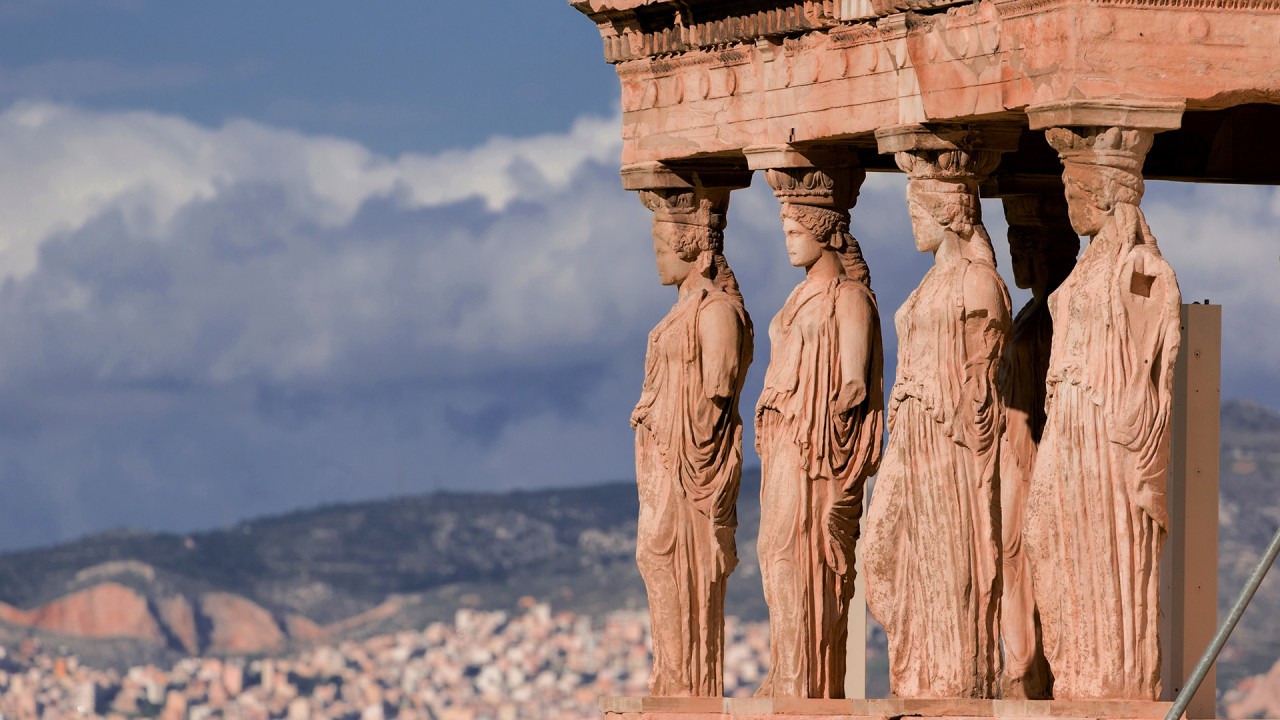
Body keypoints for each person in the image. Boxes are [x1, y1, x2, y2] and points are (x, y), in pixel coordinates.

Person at [1025, 127, 1180, 700]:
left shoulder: (1137, 264)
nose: (1069, 203)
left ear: (1104, 193)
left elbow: (1155, 349)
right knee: (1046, 534)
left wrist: (1130, 420)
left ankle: (1109, 680)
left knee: (1099, 544)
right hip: (1068, 422)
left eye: (1075, 190)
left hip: (1102, 427)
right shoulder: (1093, 263)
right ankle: (1079, 673)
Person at [863, 153, 1011, 698]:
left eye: (918, 208)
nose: (911, 220)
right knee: (882, 554)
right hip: (908, 433)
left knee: (948, 561)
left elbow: (985, 381)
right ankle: (917, 669)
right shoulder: (929, 284)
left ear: (947, 212)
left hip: (949, 442)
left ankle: (951, 681)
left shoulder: (978, 284)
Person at [755, 200, 883, 699]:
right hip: (786, 442)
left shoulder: (849, 298)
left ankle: (806, 677)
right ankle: (788, 666)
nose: (788, 240)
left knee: (803, 553)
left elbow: (855, 381)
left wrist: (821, 412)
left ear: (825, 232)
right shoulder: (797, 298)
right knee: (775, 551)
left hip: (817, 448)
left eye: (795, 230)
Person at [631, 190, 753, 696]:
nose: (656, 258)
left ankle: (688, 682)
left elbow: (720, 384)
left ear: (691, 248)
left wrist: (678, 421)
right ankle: (672, 674)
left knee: (679, 559)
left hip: (692, 462)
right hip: (663, 456)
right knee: (654, 557)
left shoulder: (716, 310)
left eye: (663, 247)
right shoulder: (682, 311)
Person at [996, 193, 1078, 699]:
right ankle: (1021, 665)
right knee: (1010, 556)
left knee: (1030, 555)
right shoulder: (1032, 312)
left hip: (1040, 456)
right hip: (1014, 451)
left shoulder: (1056, 316)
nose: (1016, 259)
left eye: (1024, 246)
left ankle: (1031, 669)